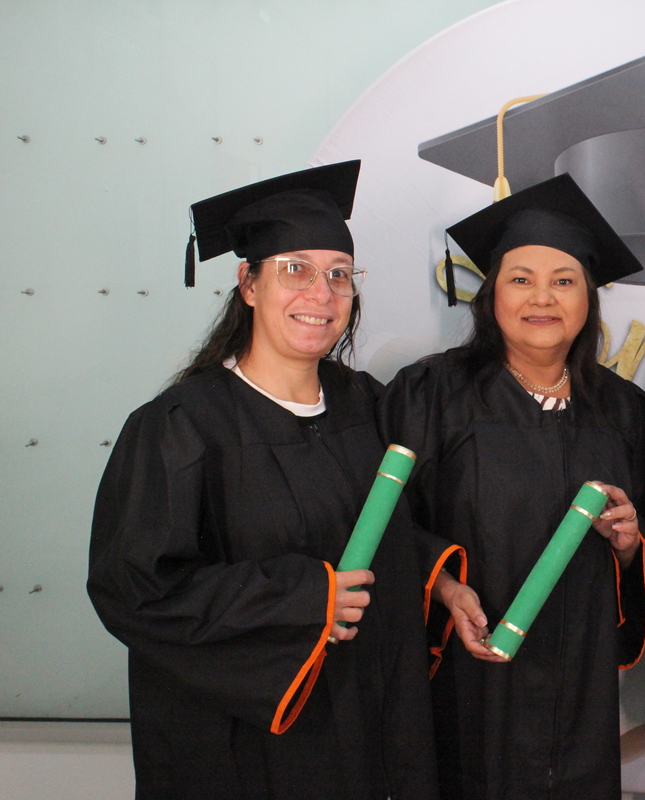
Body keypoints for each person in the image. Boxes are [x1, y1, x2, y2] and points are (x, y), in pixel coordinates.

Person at [87, 161, 438, 799]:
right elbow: (134, 589)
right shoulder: (181, 425)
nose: (321, 294)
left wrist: (442, 582)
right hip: (248, 745)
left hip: (369, 727)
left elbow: (390, 534)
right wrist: (305, 596)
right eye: (295, 269)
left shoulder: (367, 405)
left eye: (339, 274)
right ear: (248, 284)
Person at [380, 174, 645, 800]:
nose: (543, 298)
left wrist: (629, 546)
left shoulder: (624, 409)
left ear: (588, 299)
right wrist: (443, 586)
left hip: (581, 695)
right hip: (465, 683)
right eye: (521, 279)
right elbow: (384, 526)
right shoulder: (431, 395)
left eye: (565, 281)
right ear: (491, 295)